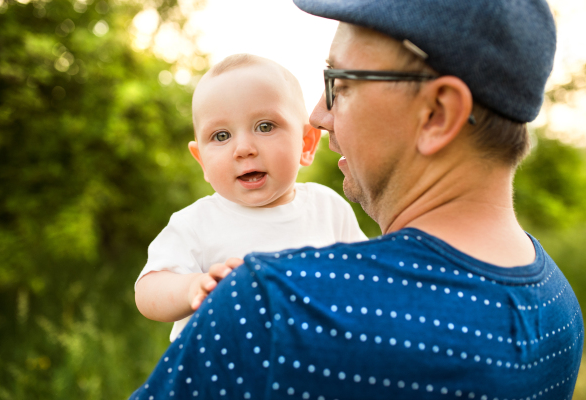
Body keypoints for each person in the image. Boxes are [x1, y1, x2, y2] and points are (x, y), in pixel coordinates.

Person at [129, 0, 584, 398]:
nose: (318, 115)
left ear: (437, 114)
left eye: (340, 85)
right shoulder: (560, 309)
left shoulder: (267, 310)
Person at [134, 54, 367, 342]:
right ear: (202, 161)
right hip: (225, 376)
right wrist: (194, 286)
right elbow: (147, 292)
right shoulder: (196, 223)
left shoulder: (328, 208)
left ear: (306, 145)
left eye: (265, 127)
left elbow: (364, 276)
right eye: (221, 136)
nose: (243, 148)